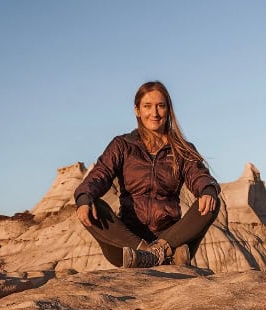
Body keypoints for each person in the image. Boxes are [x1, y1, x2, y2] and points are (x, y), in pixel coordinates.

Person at [74, 81, 221, 268]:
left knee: (213, 202)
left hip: (171, 236)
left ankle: (158, 252)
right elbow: (100, 174)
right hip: (127, 241)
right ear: (137, 110)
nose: (155, 113)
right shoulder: (122, 145)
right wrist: (84, 197)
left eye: (160, 106)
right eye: (147, 106)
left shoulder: (181, 148)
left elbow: (198, 175)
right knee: (92, 205)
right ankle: (152, 253)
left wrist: (207, 189)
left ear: (168, 109)